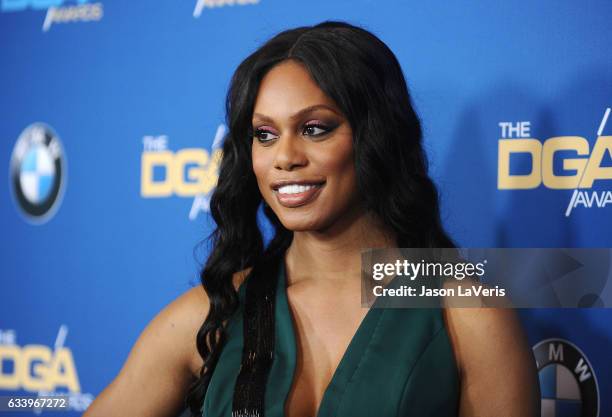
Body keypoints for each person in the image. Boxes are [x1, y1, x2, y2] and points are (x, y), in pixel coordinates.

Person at [84, 21, 540, 417]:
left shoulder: (469, 312)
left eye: (314, 128)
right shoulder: (213, 313)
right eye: (264, 135)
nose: (284, 157)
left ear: (375, 135)